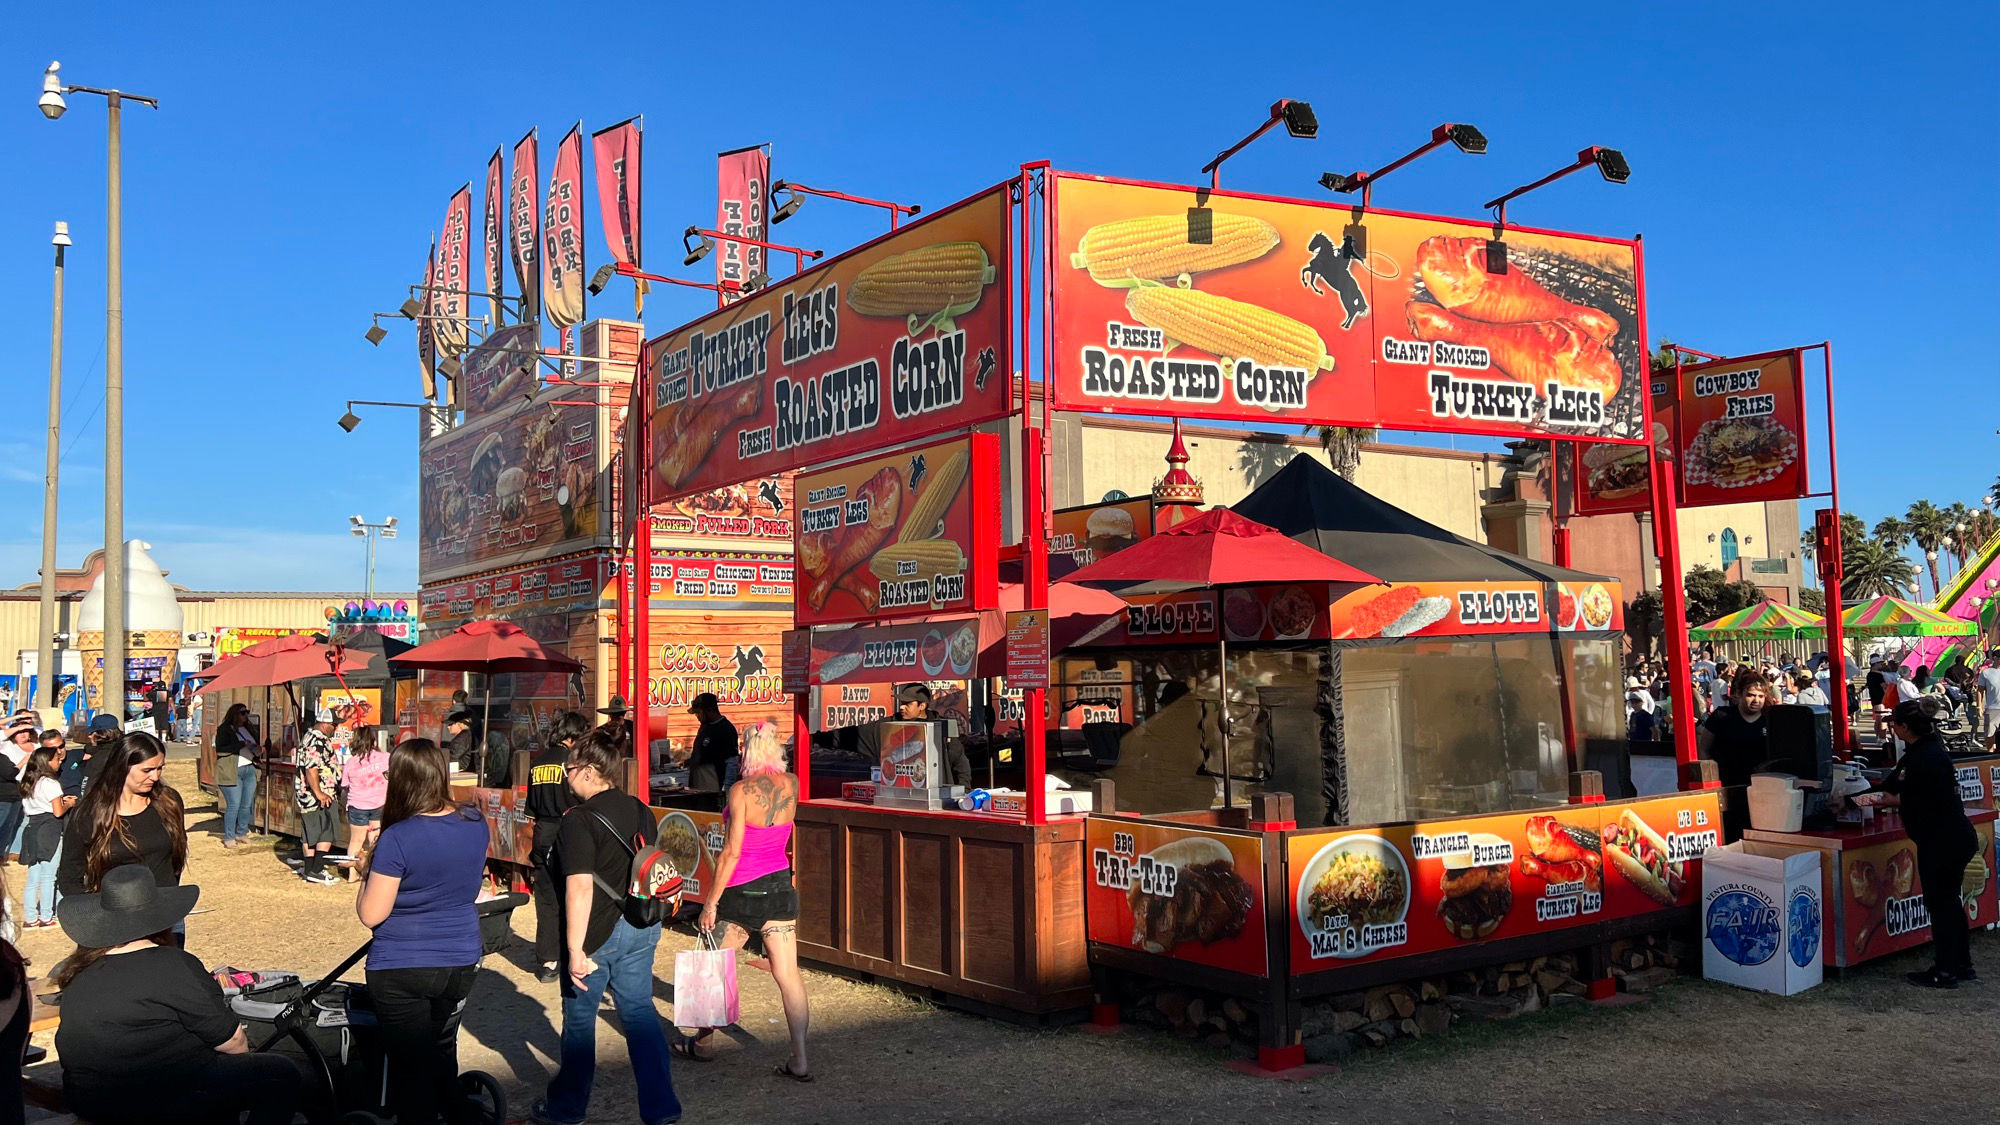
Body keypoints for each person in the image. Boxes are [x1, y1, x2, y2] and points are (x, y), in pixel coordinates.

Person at [54, 866, 305, 1123]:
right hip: (164, 1097)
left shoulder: (78, 971)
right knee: (281, 1074)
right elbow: (233, 1042)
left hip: (91, 1101)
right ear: (160, 920)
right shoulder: (174, 964)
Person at [534, 729, 681, 1125]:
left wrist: (575, 950)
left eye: (568, 769)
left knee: (580, 1023)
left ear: (587, 771)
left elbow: (579, 885)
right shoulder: (639, 808)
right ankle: (662, 1109)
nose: (565, 777)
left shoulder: (578, 821)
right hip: (640, 923)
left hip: (596, 933)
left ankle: (567, 1109)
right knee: (638, 1012)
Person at [355, 738, 490, 1123]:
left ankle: (446, 1112)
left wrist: (367, 866)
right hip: (460, 955)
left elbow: (371, 914)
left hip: (403, 963)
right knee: (439, 1050)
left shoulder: (398, 838)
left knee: (411, 1070)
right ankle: (459, 1110)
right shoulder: (475, 822)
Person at [691, 721, 811, 1081]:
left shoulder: (741, 791)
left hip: (743, 888)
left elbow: (730, 852)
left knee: (717, 968)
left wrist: (710, 903)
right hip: (778, 884)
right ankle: (801, 1058)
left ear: (748, 750)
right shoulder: (792, 784)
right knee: (788, 975)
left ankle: (703, 1042)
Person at [1854, 700, 1981, 987]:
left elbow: (1924, 799)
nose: (1893, 729)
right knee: (1949, 901)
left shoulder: (1926, 757)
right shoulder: (1923, 751)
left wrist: (1892, 800)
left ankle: (1945, 970)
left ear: (1904, 727)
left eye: (1895, 724)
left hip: (1943, 839)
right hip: (1950, 836)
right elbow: (1895, 785)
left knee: (1941, 903)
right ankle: (1961, 964)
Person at [58, 732, 188, 901]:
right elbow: (69, 877)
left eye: (160, 768)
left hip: (166, 909)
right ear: (122, 766)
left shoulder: (169, 802)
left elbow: (176, 858)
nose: (155, 777)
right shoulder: (89, 814)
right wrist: (92, 915)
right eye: (147, 770)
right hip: (114, 917)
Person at [526, 711, 588, 983]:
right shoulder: (573, 764)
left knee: (546, 899)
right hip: (567, 833)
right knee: (575, 895)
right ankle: (575, 952)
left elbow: (531, 809)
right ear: (573, 737)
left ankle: (547, 961)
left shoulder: (537, 763)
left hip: (541, 833)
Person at [1699, 668, 1773, 842]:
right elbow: (1704, 749)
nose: (1756, 700)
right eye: (1751, 695)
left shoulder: (1769, 720)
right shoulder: (1721, 716)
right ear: (1740, 694)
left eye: (1760, 696)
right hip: (1726, 786)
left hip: (1759, 790)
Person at [861, 685, 973, 789]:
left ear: (922, 706)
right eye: (901, 703)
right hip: (897, 795)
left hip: (936, 796)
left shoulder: (942, 728)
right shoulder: (889, 724)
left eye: (907, 704)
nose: (901, 707)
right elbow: (859, 735)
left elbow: (961, 764)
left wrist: (965, 791)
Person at [18, 747, 71, 929]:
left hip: (33, 828)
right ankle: (47, 916)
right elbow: (57, 811)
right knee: (49, 876)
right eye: (56, 759)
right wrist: (69, 803)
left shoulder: (29, 782)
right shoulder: (50, 783)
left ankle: (31, 917)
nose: (60, 762)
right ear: (47, 762)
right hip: (49, 830)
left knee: (33, 877)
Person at [295, 708, 342, 885]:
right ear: (323, 723)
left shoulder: (308, 737)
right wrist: (319, 793)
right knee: (325, 830)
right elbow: (311, 768)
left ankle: (309, 869)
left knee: (310, 832)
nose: (335, 728)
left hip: (307, 794)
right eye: (333, 724)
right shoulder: (317, 741)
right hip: (320, 794)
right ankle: (316, 869)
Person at [340, 728, 389, 884]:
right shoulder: (385, 758)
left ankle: (352, 874)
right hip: (379, 804)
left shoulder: (350, 762)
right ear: (374, 741)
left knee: (356, 840)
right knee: (375, 839)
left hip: (357, 805)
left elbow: (345, 785)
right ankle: (374, 871)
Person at [213, 702, 262, 848]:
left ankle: (242, 832)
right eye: (242, 713)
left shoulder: (248, 729)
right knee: (234, 804)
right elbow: (220, 749)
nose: (246, 716)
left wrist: (259, 750)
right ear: (234, 714)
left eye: (247, 712)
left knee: (246, 804)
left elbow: (254, 746)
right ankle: (229, 836)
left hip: (249, 767)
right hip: (232, 770)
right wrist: (241, 745)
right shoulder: (225, 730)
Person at [685, 692, 739, 793]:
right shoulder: (704, 727)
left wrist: (727, 791)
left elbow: (731, 762)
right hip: (696, 788)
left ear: (709, 710)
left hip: (713, 790)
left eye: (698, 713)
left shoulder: (726, 729)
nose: (696, 716)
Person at [0, 716, 31, 864]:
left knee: (13, 824)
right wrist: (24, 761)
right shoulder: (5, 750)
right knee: (3, 824)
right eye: (20, 731)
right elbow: (9, 773)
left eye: (27, 731)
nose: (24, 734)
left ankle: (6, 853)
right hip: (5, 794)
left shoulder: (36, 746)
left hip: (19, 792)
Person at [1980, 653, 2000, 740]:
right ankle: (1990, 752)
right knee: (1989, 734)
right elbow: (1980, 690)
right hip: (1992, 708)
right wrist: (1979, 707)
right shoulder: (1986, 673)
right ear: (1995, 658)